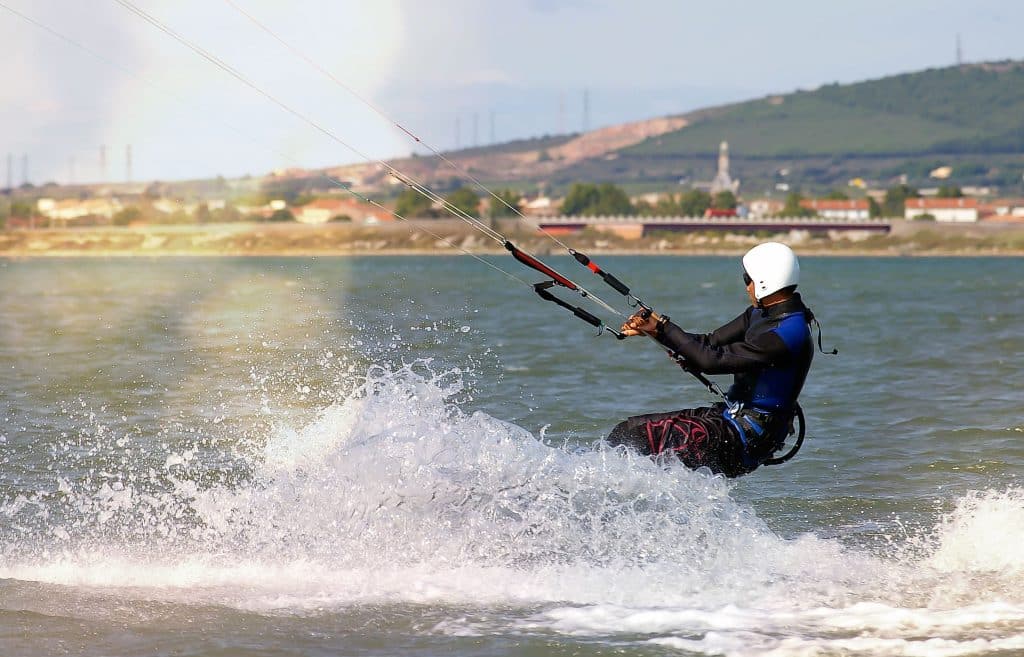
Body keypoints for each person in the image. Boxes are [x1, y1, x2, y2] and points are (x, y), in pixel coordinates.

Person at [607, 242, 821, 477]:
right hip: (727, 418)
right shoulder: (759, 314)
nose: (746, 286)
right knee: (627, 432)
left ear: (764, 281)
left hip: (743, 440)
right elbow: (709, 343)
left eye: (747, 279)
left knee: (640, 439)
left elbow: (710, 361)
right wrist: (656, 331)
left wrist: (664, 327)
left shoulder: (789, 334)